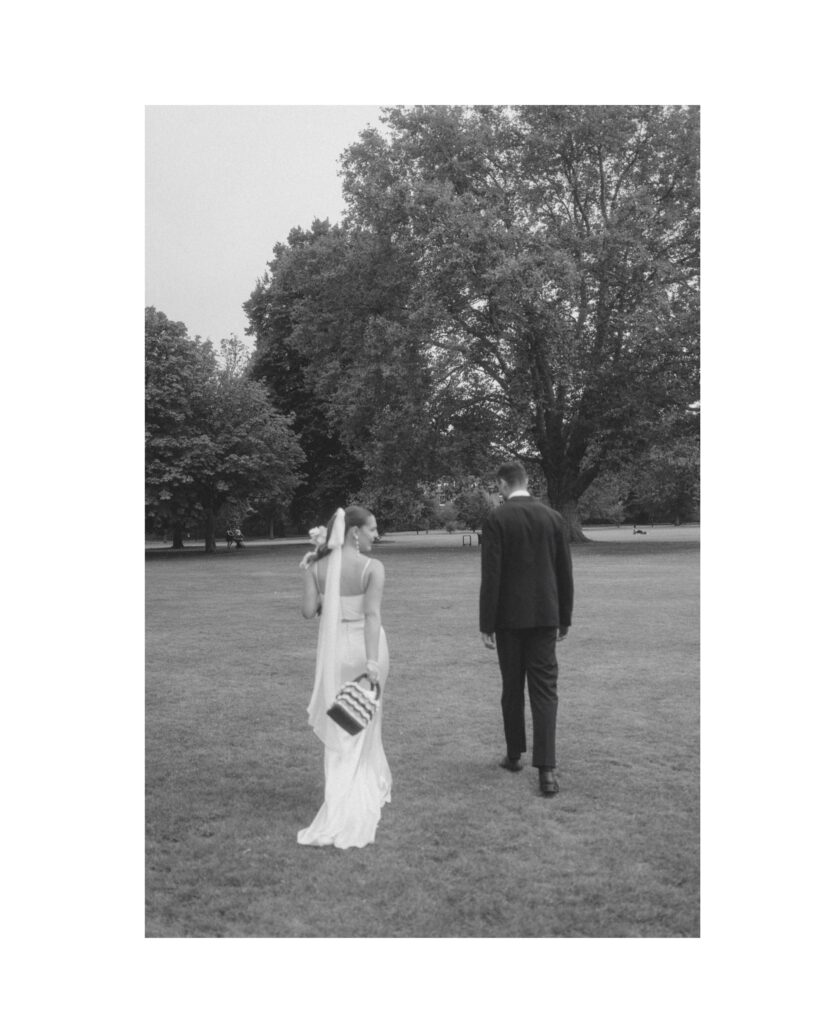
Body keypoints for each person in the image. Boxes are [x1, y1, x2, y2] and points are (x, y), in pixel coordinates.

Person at [296, 505, 391, 848]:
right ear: (355, 532)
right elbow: (372, 616)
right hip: (366, 647)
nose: (375, 535)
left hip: (335, 651)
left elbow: (309, 612)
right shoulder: (372, 567)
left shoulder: (317, 567)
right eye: (372, 529)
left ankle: (343, 787)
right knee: (365, 715)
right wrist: (371, 662)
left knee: (342, 718)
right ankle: (361, 785)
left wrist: (308, 574)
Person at [479, 462, 574, 797]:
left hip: (508, 619)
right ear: (527, 482)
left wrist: (486, 623)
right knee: (545, 690)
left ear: (504, 484)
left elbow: (491, 575)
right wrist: (565, 616)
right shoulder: (553, 518)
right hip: (546, 616)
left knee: (512, 687)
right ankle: (547, 771)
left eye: (498, 487)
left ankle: (514, 754)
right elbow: (565, 572)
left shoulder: (497, 519)